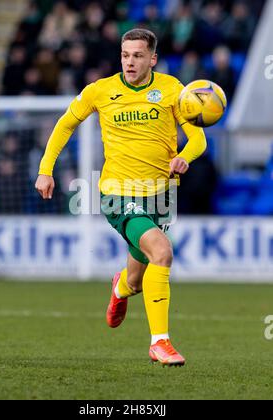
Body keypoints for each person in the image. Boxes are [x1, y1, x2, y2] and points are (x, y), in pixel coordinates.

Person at [35, 29, 207, 367]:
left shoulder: (173, 90)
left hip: (160, 196)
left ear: (152, 59)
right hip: (116, 192)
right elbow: (65, 124)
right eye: (126, 55)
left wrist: (185, 156)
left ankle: (119, 289)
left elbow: (198, 139)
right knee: (162, 251)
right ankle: (160, 343)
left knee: (136, 280)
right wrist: (45, 169)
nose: (130, 61)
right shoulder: (101, 90)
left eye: (138, 55)